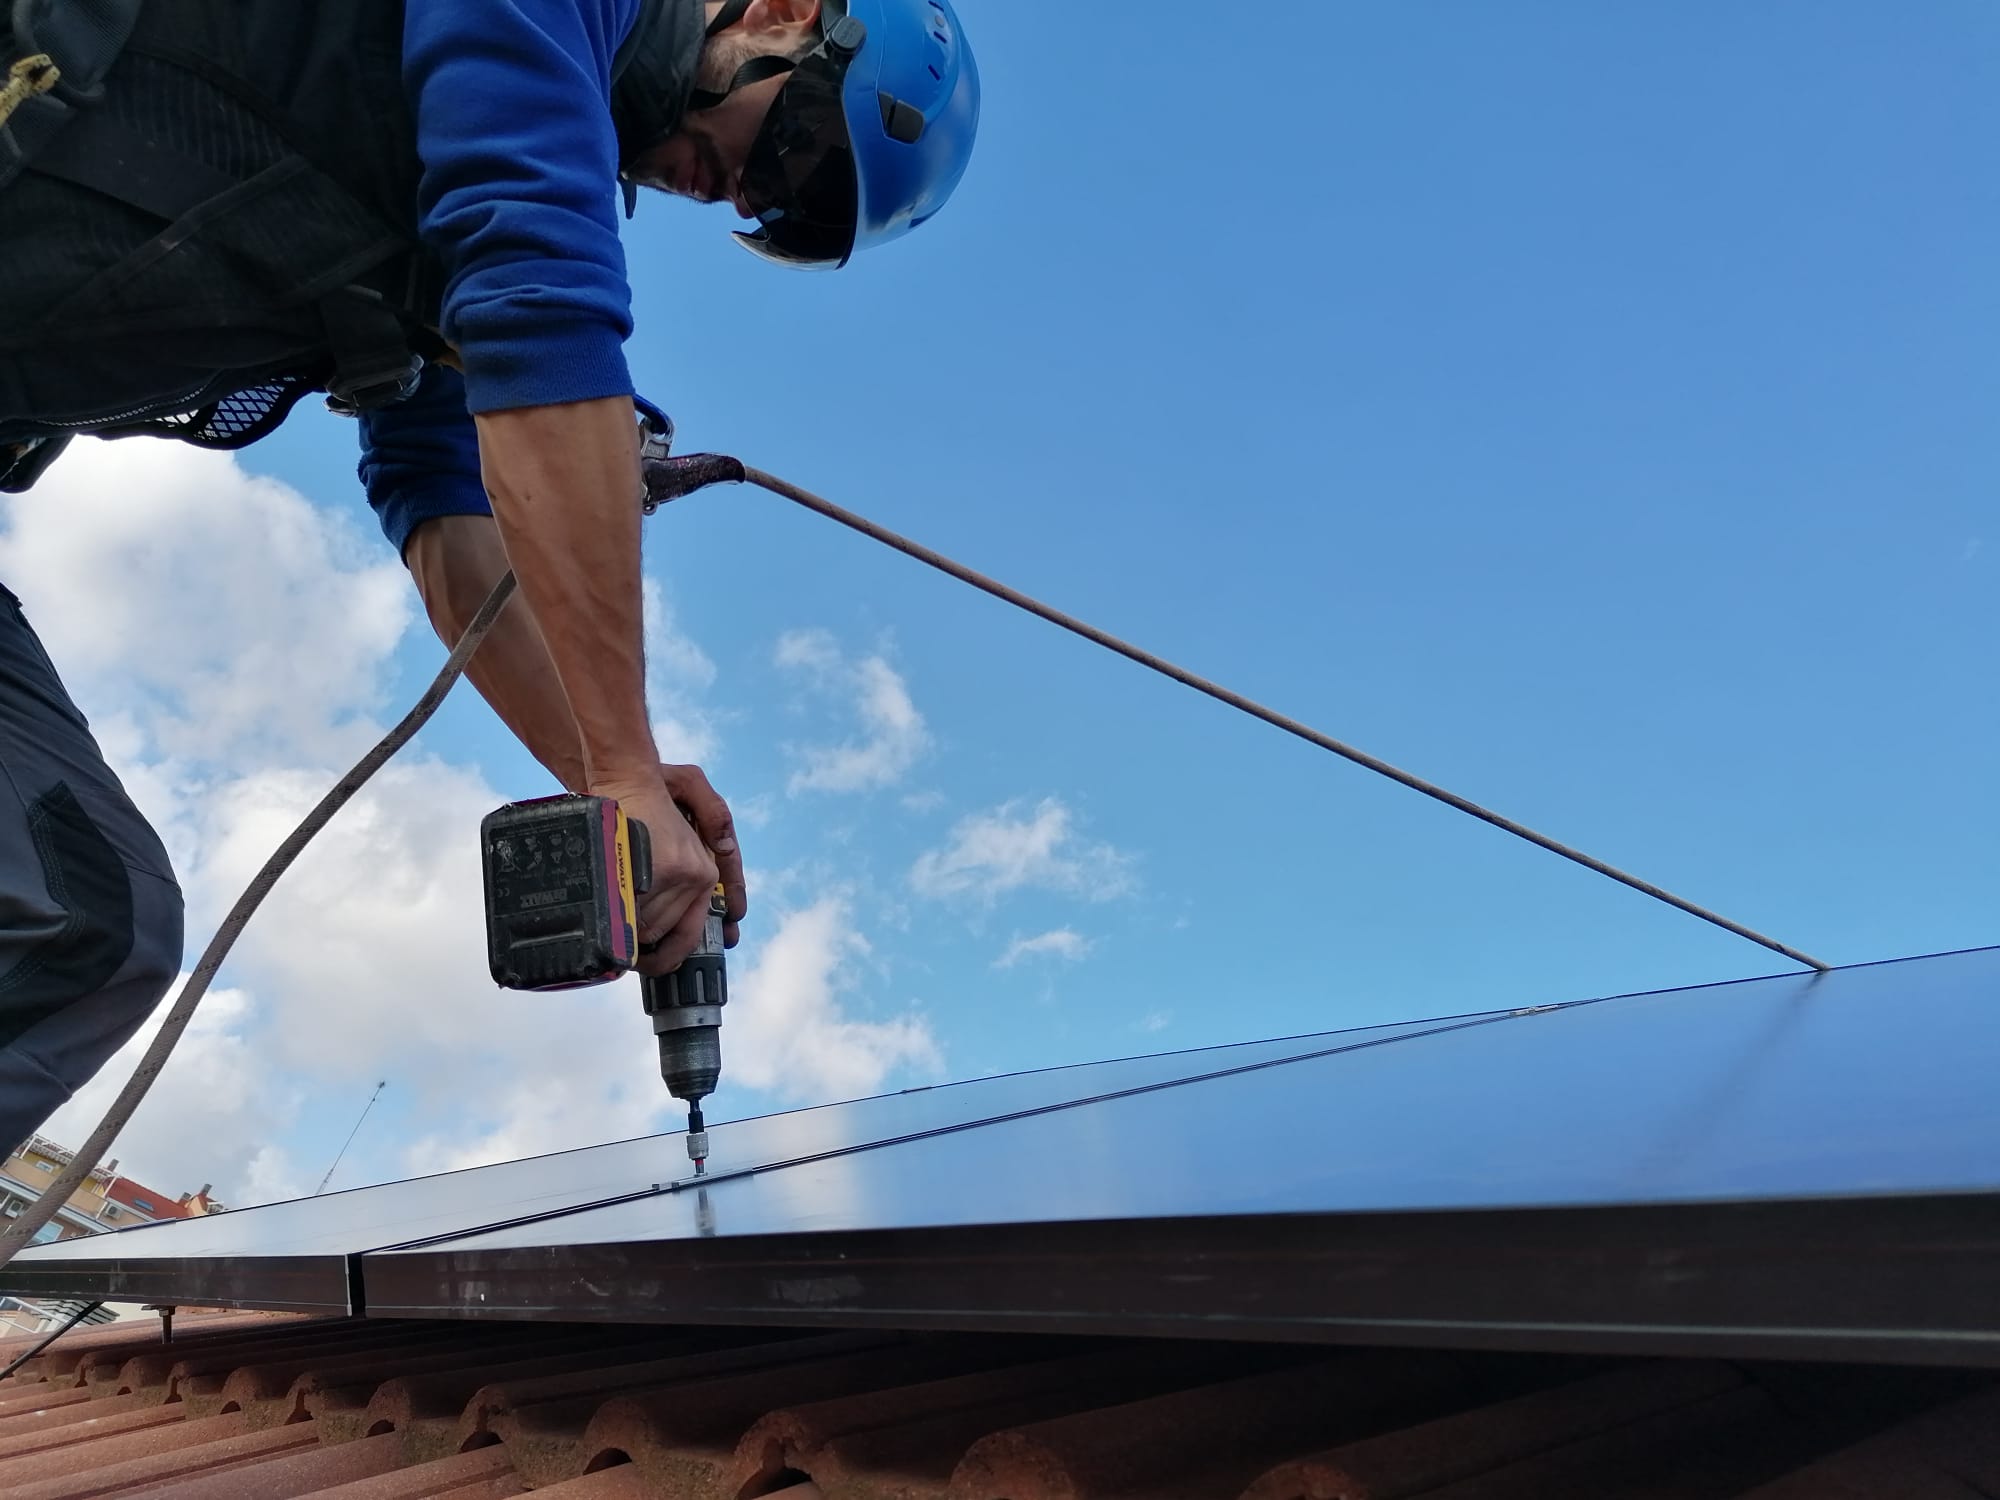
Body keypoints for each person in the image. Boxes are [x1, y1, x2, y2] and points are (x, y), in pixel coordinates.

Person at [0, 0, 979, 1152]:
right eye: (795, 149)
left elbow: (446, 513)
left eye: (779, 214)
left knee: (88, 929)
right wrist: (617, 758)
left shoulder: (438, 200)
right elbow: (538, 310)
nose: (744, 196)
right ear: (779, 14)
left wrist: (619, 786)